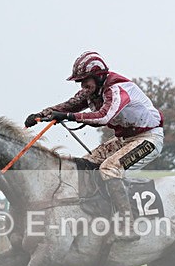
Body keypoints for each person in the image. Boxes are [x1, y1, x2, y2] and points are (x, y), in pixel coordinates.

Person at [24, 51, 164, 241]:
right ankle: (94, 214)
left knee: (109, 169)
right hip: (125, 139)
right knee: (85, 165)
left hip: (148, 138)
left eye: (85, 80)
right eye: (79, 82)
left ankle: (128, 225)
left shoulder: (117, 89)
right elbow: (68, 106)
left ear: (98, 76)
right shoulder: (93, 90)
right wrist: (42, 115)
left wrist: (68, 117)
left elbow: (104, 117)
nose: (83, 86)